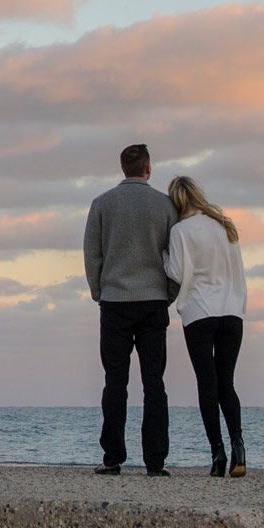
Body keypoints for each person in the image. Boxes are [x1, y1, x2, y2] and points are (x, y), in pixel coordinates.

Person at [82, 143, 176, 476]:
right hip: (153, 302)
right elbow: (175, 257)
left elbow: (92, 253)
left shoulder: (102, 204)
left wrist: (98, 290)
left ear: (123, 168)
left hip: (115, 302)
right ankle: (155, 461)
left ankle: (112, 458)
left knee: (115, 382)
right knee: (154, 383)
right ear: (148, 169)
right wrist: (169, 294)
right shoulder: (164, 205)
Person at [163, 175, 248, 477]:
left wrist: (162, 255)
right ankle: (239, 444)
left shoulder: (180, 231)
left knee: (207, 384)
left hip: (200, 312)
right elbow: (237, 270)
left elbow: (175, 272)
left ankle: (217, 453)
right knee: (227, 382)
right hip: (231, 311)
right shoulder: (225, 226)